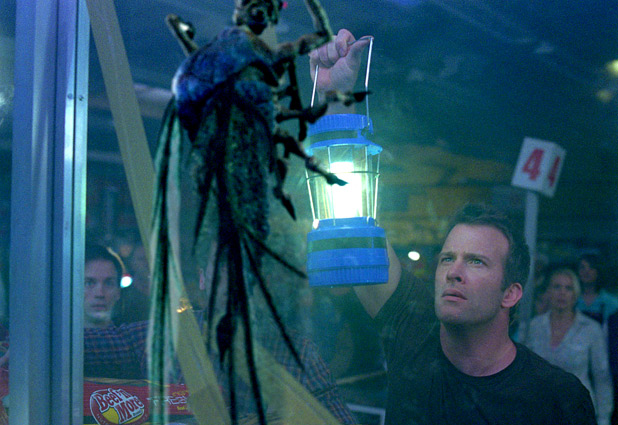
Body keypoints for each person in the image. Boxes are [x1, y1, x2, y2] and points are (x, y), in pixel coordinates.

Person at [524, 268, 613, 425]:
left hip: (578, 411)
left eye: (568, 288)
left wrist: (603, 419)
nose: (562, 293)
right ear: (548, 292)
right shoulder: (535, 326)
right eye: (557, 287)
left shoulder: (591, 329)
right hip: (539, 411)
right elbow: (525, 370)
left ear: (575, 294)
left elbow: (602, 377)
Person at [84, 244, 124, 328]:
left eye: (109, 283)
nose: (100, 294)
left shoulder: (130, 335)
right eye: (89, 283)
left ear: (118, 292)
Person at [576, 253, 618, 326]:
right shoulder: (571, 300)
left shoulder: (611, 303)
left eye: (591, 267)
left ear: (598, 271)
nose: (586, 271)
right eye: (582, 267)